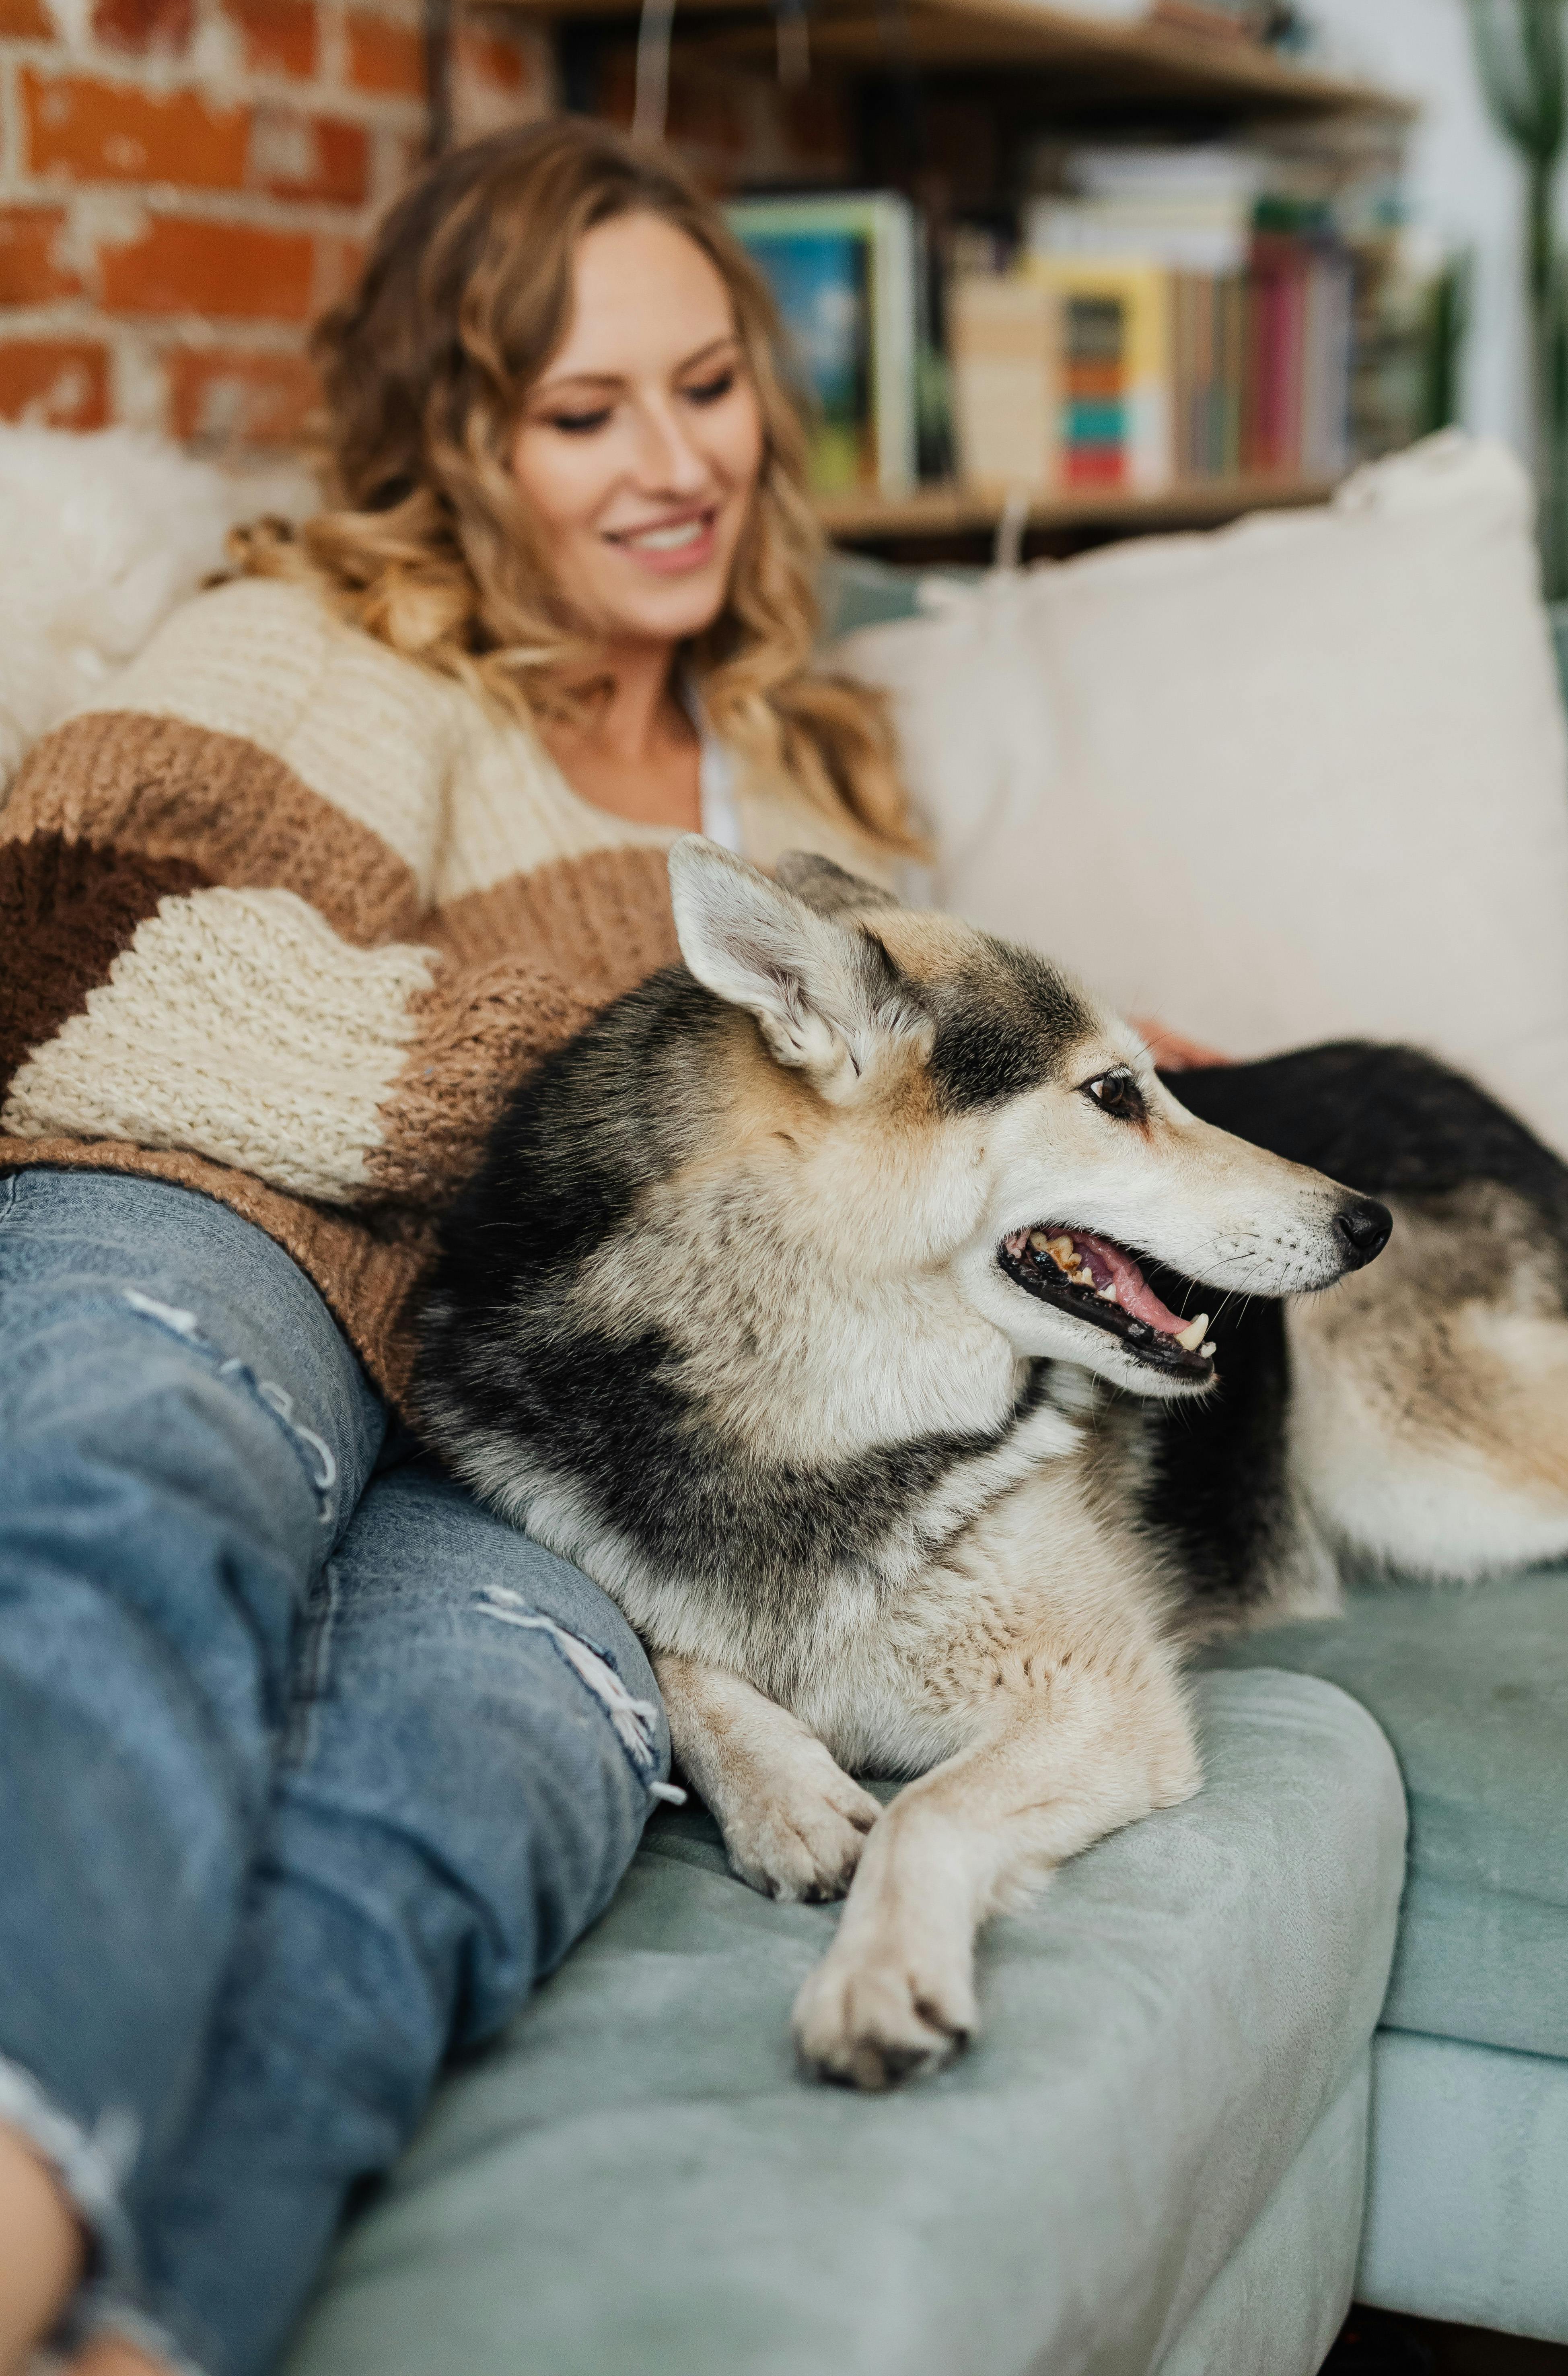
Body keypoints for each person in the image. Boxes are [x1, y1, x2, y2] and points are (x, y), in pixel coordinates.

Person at [0, 116, 923, 2376]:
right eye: (585, 414)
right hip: (234, 1219)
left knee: (482, 1771)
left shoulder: (816, 786)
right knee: (136, 1508)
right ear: (460, 440)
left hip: (537, 1458)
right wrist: (607, 1115)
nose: (676, 466)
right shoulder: (335, 639)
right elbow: (58, 937)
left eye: (706, 386)